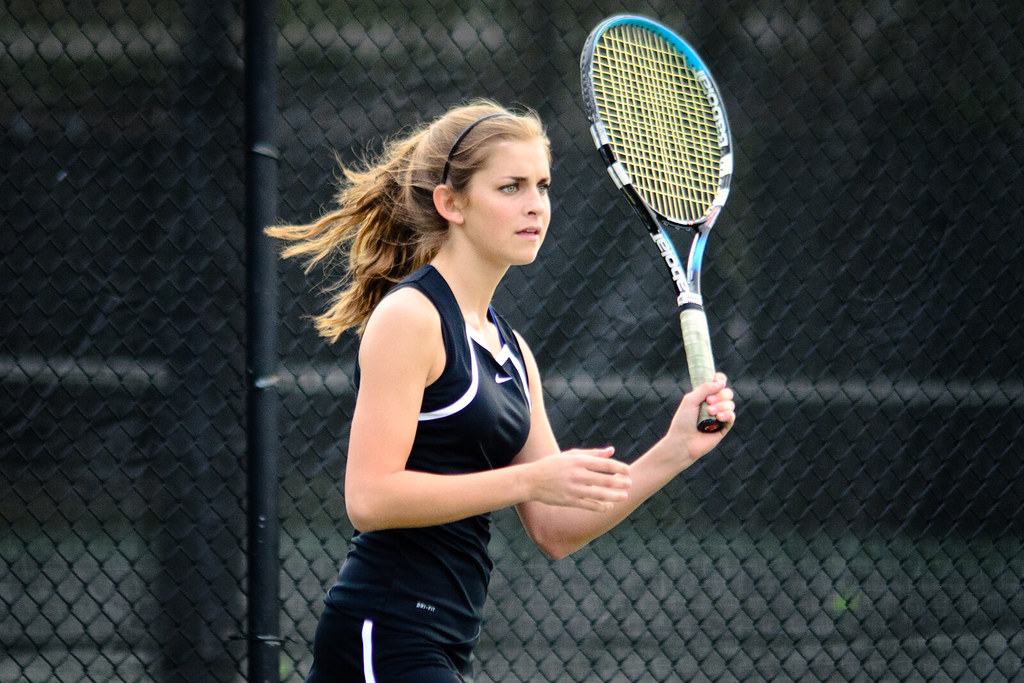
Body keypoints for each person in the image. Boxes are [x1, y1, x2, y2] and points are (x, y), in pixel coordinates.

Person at [268, 99, 736, 682]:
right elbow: (369, 499)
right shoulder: (410, 318)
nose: (535, 204)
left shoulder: (513, 351)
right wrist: (527, 479)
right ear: (451, 202)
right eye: (511, 187)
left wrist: (674, 450)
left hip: (445, 640)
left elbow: (554, 529)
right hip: (386, 631)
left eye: (542, 185)